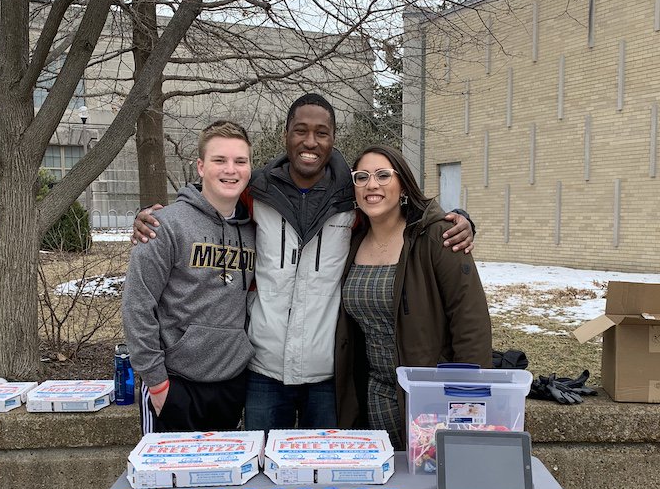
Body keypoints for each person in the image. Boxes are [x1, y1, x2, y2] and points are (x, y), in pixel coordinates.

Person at [133, 93, 475, 431]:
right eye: (300, 130)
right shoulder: (257, 193)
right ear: (286, 135)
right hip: (261, 371)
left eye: (321, 133)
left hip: (327, 375)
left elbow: (402, 211)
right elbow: (214, 199)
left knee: (323, 478)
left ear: (332, 139)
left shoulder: (353, 198)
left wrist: (456, 218)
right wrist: (152, 217)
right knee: (262, 477)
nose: (310, 141)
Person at [334, 144, 492, 449]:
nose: (372, 185)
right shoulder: (351, 242)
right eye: (362, 176)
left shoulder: (437, 237)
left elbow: (470, 322)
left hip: (430, 399)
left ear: (403, 184)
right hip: (372, 399)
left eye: (383, 175)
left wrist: (467, 406)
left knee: (431, 486)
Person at [121, 120, 256, 433]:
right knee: (166, 481)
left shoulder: (253, 229)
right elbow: (137, 307)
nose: (230, 170)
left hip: (231, 383)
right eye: (219, 160)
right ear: (200, 166)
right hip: (174, 384)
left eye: (240, 161)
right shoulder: (164, 226)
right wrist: (157, 384)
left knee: (223, 481)